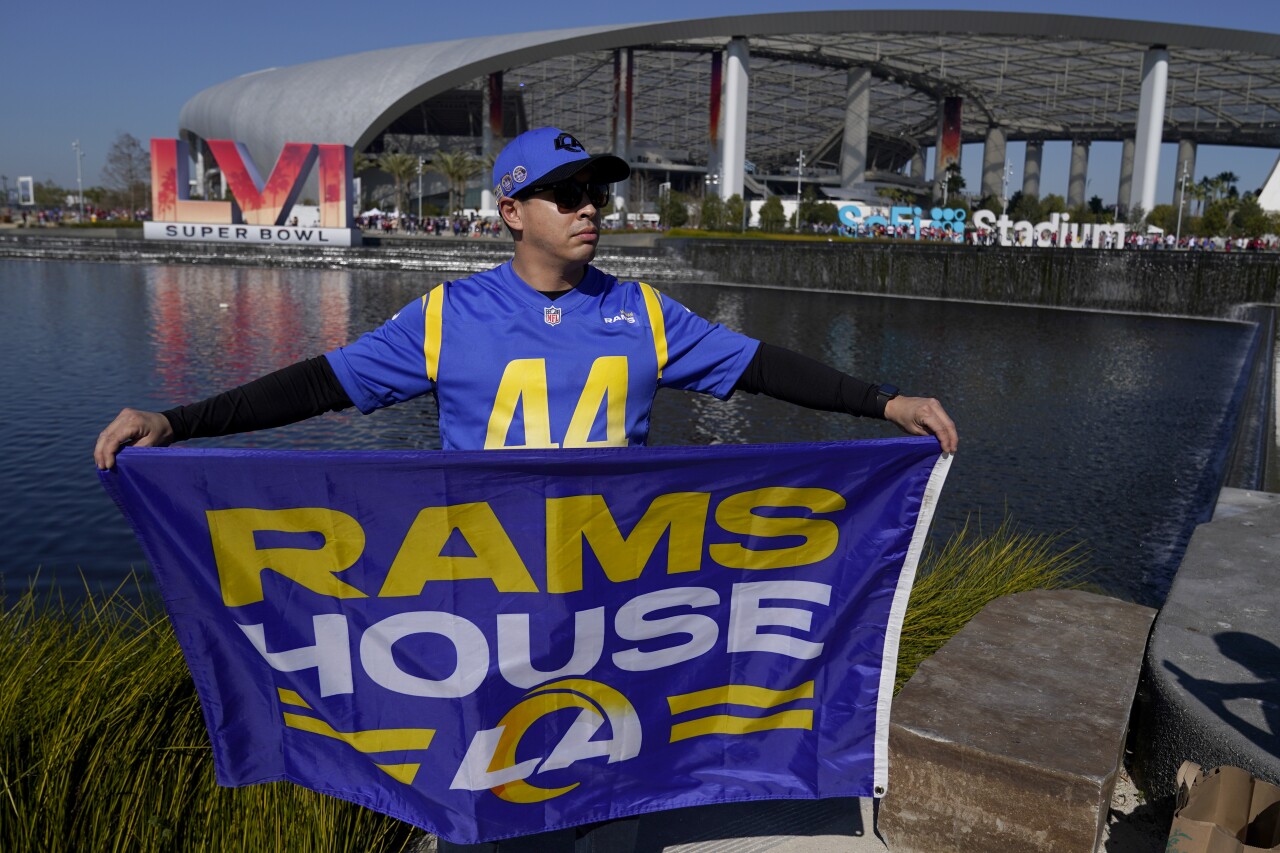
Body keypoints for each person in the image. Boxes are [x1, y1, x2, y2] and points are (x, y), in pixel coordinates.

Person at [94, 127, 956, 470]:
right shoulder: (446, 315)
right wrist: (177, 421)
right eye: (567, 192)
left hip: (616, 585)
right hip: (485, 583)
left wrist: (887, 400)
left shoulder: (644, 312)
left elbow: (765, 368)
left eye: (598, 194)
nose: (591, 207)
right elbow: (316, 385)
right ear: (511, 211)